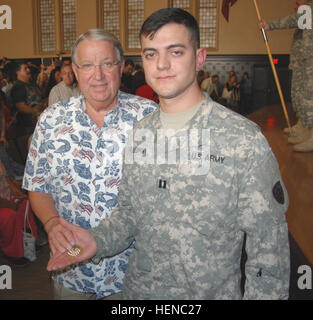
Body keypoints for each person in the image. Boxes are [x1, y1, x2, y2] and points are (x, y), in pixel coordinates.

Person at [46, 8, 290, 300]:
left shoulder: (241, 139)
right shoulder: (140, 134)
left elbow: (269, 252)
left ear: (199, 58)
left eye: (175, 52)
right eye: (150, 54)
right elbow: (129, 216)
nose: (161, 64)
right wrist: (94, 239)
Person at [22, 29, 157, 300]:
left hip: (131, 274)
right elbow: (37, 184)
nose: (98, 76)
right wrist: (51, 224)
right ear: (74, 69)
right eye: (87, 65)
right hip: (71, 266)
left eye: (107, 64)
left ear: (120, 67)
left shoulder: (150, 118)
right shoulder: (51, 120)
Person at [259, 0, 313, 152]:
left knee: (310, 98)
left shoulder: (309, 9)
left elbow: (294, 19)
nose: (296, 5)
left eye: (298, 3)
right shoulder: (307, 12)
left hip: (310, 61)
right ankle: (305, 129)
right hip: (304, 61)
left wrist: (270, 25)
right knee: (301, 97)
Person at [0, 160, 38, 267]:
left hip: (5, 199)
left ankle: (27, 243)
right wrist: (12, 204)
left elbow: (6, 179)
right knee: (9, 215)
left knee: (25, 204)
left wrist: (20, 194)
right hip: (3, 205)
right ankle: (11, 253)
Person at [9, 62, 45, 164]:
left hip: (37, 122)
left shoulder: (31, 84)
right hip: (27, 125)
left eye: (28, 68)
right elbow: (21, 106)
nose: (28, 70)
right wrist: (38, 112)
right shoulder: (18, 87)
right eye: (25, 69)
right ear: (18, 72)